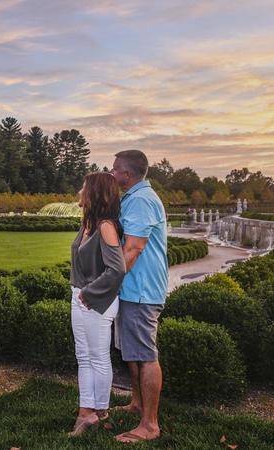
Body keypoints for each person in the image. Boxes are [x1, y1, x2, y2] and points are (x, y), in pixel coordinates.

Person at [110, 149, 168, 444]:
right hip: (133, 289)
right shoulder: (135, 198)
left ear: (128, 174)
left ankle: (150, 424)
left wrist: (106, 283)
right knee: (132, 352)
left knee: (145, 356)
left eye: (115, 169)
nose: (112, 173)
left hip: (142, 290)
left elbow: (133, 248)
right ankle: (136, 403)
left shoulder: (142, 201)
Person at [68, 172, 126, 436]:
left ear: (95, 192)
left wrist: (89, 294)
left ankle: (100, 412)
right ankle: (85, 411)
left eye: (84, 187)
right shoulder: (88, 223)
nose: (80, 190)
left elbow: (117, 269)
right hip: (80, 297)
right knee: (84, 357)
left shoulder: (105, 226)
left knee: (99, 358)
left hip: (96, 302)